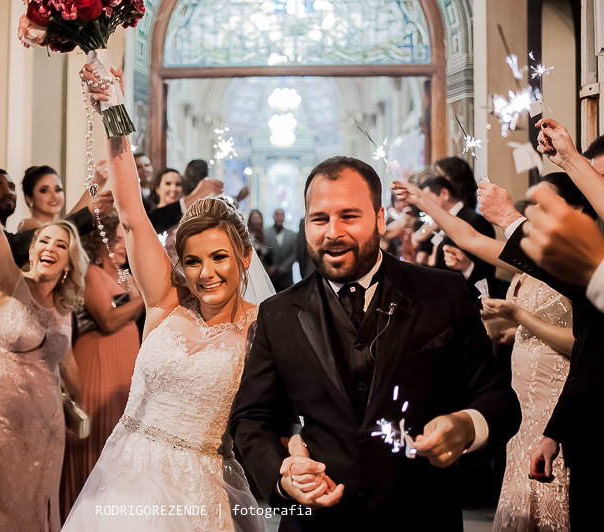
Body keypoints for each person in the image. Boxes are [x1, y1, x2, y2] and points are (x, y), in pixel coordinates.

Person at [229, 156, 520, 530]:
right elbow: (252, 417)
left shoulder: (443, 294)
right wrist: (283, 478)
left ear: (380, 219)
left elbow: (498, 396)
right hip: (317, 523)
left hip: (421, 516)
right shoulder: (277, 313)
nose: (333, 232)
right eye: (319, 219)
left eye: (349, 216)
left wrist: (467, 425)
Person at [63, 63, 270, 531]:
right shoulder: (166, 301)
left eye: (219, 258)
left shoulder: (264, 325)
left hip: (199, 492)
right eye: (192, 261)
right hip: (123, 479)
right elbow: (131, 212)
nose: (205, 273)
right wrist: (114, 109)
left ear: (244, 258)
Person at [394, 173, 593, 530]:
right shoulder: (533, 259)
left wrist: (520, 316)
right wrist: (421, 200)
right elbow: (469, 238)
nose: (533, 213)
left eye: (543, 205)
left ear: (576, 210)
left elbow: (586, 345)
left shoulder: (584, 268)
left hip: (559, 397)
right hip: (524, 399)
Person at [0, 167, 108, 532]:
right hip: (1, 419)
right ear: (31, 248)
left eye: (61, 245)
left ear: (69, 263)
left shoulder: (63, 304)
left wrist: (79, 408)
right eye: (44, 241)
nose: (50, 248)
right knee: (3, 512)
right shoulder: (9, 284)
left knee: (40, 507)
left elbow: (66, 360)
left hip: (48, 423)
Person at [483, 119, 604, 528]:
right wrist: (555, 431)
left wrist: (510, 218)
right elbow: (593, 356)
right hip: (570, 422)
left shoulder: (589, 262)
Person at [61, 214, 143, 513]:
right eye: (116, 239)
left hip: (124, 366)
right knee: (99, 440)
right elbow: (107, 319)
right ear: (99, 242)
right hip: (98, 363)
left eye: (124, 240)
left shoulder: (125, 276)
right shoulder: (92, 273)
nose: (122, 246)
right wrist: (145, 299)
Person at [418, 176, 496, 290]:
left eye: (427, 199)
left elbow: (485, 272)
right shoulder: (438, 222)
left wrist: (467, 266)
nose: (424, 206)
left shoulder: (473, 220)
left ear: (444, 194)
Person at [18, 165, 66, 232]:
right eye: (45, 191)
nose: (54, 196)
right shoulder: (28, 227)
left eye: (58, 190)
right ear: (29, 198)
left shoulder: (62, 227)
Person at [264, 208, 298, 291]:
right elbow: (262, 253)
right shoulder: (265, 233)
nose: (279, 218)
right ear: (273, 217)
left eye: (281, 215)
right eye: (277, 215)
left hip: (286, 277)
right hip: (270, 277)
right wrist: (268, 267)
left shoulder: (292, 235)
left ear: (284, 217)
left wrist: (284, 267)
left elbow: (294, 253)